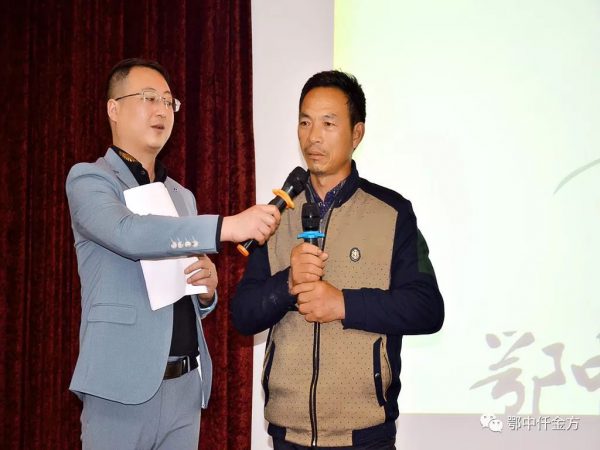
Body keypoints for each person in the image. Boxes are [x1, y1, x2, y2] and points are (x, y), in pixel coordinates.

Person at [66, 58, 280, 450]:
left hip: (184, 388)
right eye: (149, 98)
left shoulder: (182, 196)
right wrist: (226, 227)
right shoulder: (90, 179)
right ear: (113, 109)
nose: (162, 110)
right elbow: (130, 233)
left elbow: (179, 295)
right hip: (119, 387)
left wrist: (206, 292)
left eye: (168, 101)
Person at [231, 70, 444, 449]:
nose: (313, 136)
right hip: (287, 434)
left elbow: (427, 309)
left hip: (365, 436)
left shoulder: (391, 212)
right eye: (305, 122)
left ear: (356, 134)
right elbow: (243, 315)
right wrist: (287, 284)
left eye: (328, 123)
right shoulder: (276, 216)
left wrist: (342, 304)